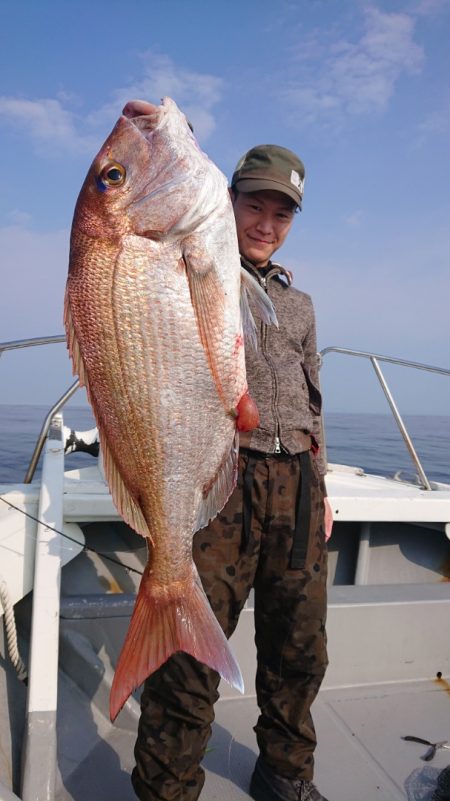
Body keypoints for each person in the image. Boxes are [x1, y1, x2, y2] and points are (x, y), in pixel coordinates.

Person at [131, 144, 333, 801]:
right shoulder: (193, 272)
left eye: (282, 213)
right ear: (228, 201)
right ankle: (166, 789)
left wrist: (322, 483)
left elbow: (313, 400)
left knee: (299, 647)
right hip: (222, 476)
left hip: (297, 485)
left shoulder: (301, 305)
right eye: (254, 206)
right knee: (189, 658)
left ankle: (285, 773)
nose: (266, 224)